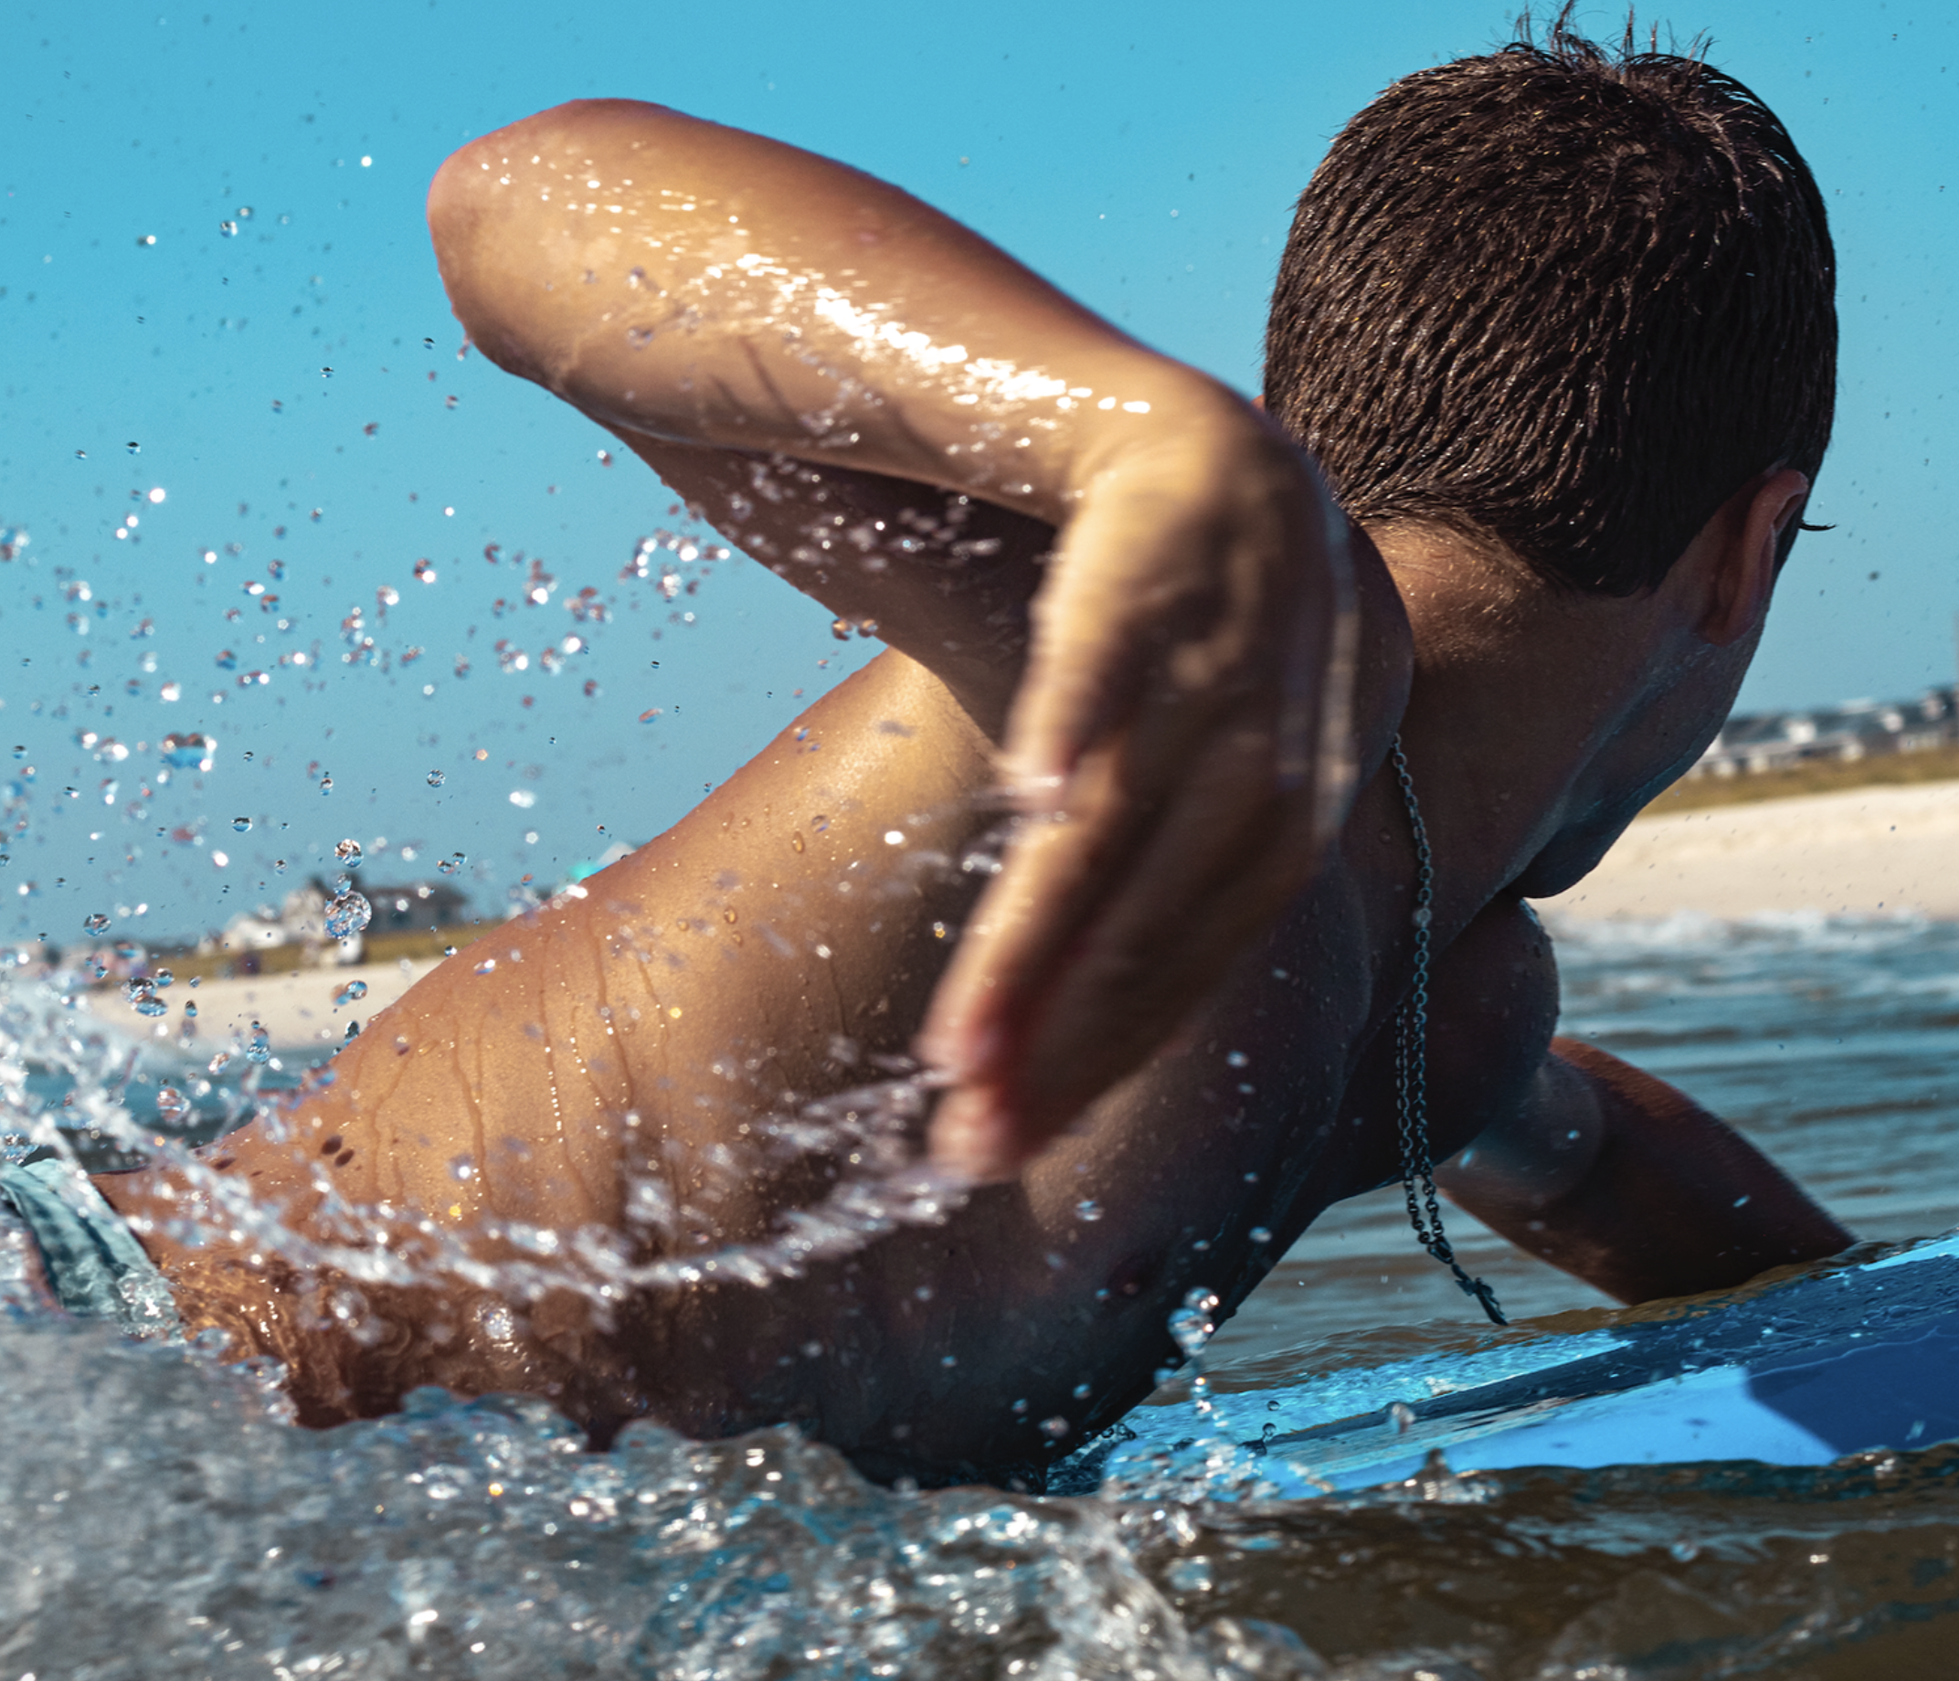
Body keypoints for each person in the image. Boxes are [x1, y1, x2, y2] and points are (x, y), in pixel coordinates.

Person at [81, 22, 1850, 1486]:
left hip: (302, 1543)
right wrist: (1138, 445)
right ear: (1747, 552)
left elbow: (1589, 1161)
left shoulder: (1448, 1013)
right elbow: (515, 206)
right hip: (106, 1378)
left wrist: (1886, 1310)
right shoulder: (1177, 672)